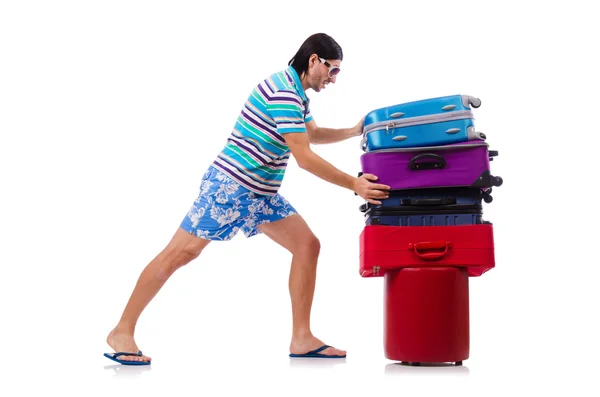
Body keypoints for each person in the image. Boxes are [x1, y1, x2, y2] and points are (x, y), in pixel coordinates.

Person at [103, 32, 391, 365]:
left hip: (260, 193)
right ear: (313, 60)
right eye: (333, 70)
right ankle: (122, 331)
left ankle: (301, 338)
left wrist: (355, 131)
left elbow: (310, 134)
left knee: (307, 245)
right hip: (231, 186)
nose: (333, 78)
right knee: (180, 253)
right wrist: (354, 184)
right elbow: (304, 157)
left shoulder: (296, 92)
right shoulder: (284, 93)